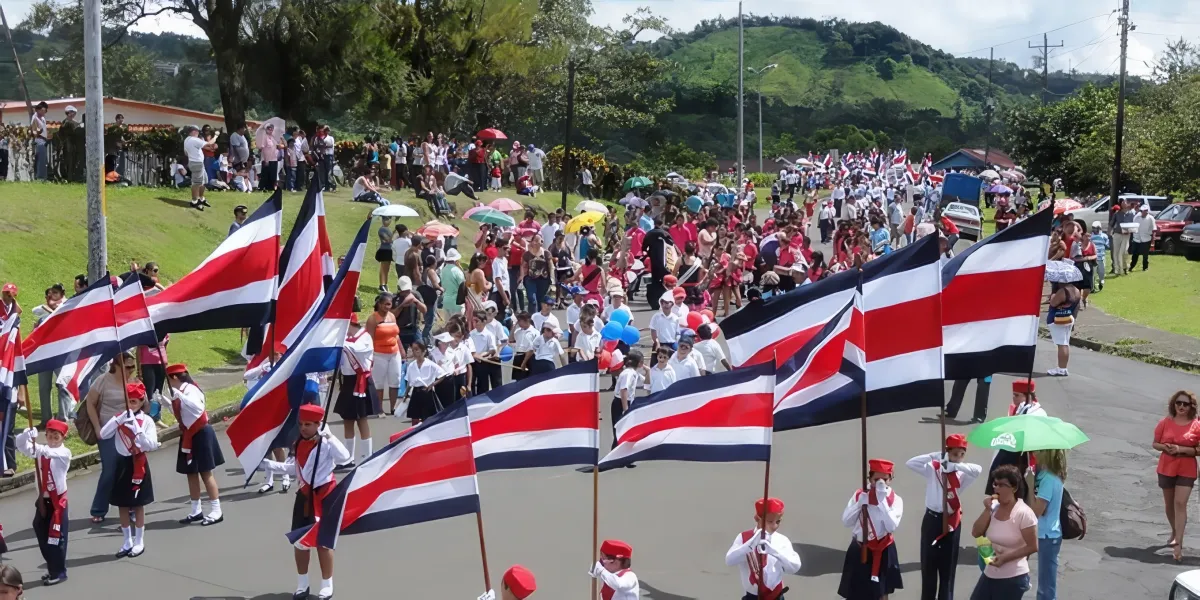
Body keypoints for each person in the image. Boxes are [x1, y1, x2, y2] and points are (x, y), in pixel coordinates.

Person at [262, 404, 349, 600]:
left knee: (323, 542)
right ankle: (302, 583)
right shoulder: (298, 443)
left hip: (325, 494)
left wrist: (329, 436)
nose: (303, 428)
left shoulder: (326, 444)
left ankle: (327, 584)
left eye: (308, 424)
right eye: (301, 424)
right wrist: (268, 465)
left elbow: (344, 458)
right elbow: (293, 469)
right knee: (300, 541)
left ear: (319, 424)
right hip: (304, 496)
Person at [906, 434, 983, 600]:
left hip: (951, 520)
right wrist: (936, 456)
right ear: (947, 452)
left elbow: (978, 470)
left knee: (947, 571)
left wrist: (955, 466)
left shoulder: (963, 473)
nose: (959, 458)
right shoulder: (933, 469)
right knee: (929, 567)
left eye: (962, 454)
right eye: (955, 454)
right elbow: (911, 463)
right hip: (932, 519)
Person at [99, 382, 161, 558]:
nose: (131, 405)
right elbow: (103, 434)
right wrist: (119, 420)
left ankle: (139, 540)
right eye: (128, 401)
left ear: (141, 402)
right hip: (122, 463)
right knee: (122, 504)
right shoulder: (119, 417)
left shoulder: (147, 421)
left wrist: (138, 431)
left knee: (138, 504)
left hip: (138, 463)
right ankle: (127, 540)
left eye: (135, 401)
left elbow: (150, 445)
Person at [165, 364, 224, 526]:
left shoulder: (191, 390)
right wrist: (166, 403)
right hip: (188, 434)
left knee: (205, 472)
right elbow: (182, 412)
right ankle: (196, 510)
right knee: (191, 472)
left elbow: (198, 408)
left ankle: (216, 510)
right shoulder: (180, 392)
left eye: (168, 380)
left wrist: (180, 397)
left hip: (201, 433)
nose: (168, 384)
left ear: (174, 378)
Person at [968, 465, 1039, 600]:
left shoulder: (1024, 513)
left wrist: (1005, 558)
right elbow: (976, 532)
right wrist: (987, 509)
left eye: (1002, 485)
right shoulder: (993, 508)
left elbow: (1033, 546)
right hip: (990, 573)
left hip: (1013, 577)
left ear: (1014, 488)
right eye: (995, 484)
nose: (996, 488)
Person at [15, 420, 72, 585]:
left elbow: (49, 453)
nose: (53, 439)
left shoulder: (64, 453)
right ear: (45, 435)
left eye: (57, 436)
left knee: (56, 538)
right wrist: (26, 435)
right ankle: (52, 567)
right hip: (42, 501)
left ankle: (59, 572)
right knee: (41, 531)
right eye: (49, 435)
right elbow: (21, 445)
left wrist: (38, 448)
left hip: (57, 502)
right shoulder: (41, 450)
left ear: (63, 437)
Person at [84, 352, 137, 523]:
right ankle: (99, 509)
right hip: (107, 431)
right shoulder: (103, 380)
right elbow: (90, 404)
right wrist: (98, 427)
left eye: (133, 367)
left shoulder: (135, 382)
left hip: (128, 432)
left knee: (129, 470)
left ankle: (130, 506)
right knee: (109, 470)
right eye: (128, 367)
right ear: (116, 366)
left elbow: (142, 404)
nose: (131, 370)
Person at [839, 458, 903, 600]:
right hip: (860, 547)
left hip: (883, 548)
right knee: (855, 593)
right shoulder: (859, 495)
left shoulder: (895, 500)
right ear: (870, 479)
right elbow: (846, 521)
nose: (880, 484)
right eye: (876, 480)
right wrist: (859, 505)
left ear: (890, 479)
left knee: (881, 593)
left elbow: (891, 526)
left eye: (884, 480)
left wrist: (882, 503)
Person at [1153, 390, 1200, 563]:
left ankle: (1178, 543)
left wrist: (1181, 450)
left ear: (1191, 406)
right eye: (1178, 403)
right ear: (1173, 404)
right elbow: (1155, 443)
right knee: (1169, 504)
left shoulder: (1196, 425)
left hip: (1187, 468)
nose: (1181, 406)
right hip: (1166, 467)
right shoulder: (1165, 422)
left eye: (1185, 404)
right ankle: (1174, 529)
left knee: (1180, 503)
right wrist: (1165, 447)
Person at [725, 497, 802, 599]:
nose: (774, 526)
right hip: (753, 597)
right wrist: (749, 545)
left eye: (778, 522)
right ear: (757, 519)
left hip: (776, 596)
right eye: (770, 521)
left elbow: (794, 567)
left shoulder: (782, 540)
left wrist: (774, 552)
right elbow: (729, 561)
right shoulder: (744, 538)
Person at [334, 314, 376, 469]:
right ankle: (347, 457)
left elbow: (356, 349)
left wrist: (340, 343)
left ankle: (367, 456)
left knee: (361, 419)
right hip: (348, 381)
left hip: (361, 381)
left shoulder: (364, 338)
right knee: (348, 419)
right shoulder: (346, 340)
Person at [1029, 449, 1066, 598]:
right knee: (1045, 582)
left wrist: (1029, 485)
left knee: (1046, 584)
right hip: (1047, 533)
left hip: (1048, 535)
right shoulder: (1045, 476)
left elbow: (1037, 511)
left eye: (1038, 451)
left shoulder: (1048, 480)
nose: (1034, 454)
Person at [366, 294, 404, 416]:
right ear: (380, 304)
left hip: (394, 352)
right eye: (385, 304)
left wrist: (402, 349)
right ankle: (379, 409)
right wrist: (370, 356)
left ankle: (393, 408)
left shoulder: (392, 316)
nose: (388, 307)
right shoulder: (373, 319)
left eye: (390, 304)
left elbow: (396, 334)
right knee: (379, 382)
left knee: (395, 380)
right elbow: (369, 338)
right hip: (379, 354)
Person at [402, 340, 446, 426]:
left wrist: (432, 384)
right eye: (413, 350)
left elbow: (442, 374)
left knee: (427, 417)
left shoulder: (430, 364)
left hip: (426, 392)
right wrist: (406, 394)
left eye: (417, 349)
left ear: (424, 351)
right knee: (415, 417)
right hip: (416, 392)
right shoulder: (412, 365)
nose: (415, 352)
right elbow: (409, 382)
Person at [1045, 282, 1079, 377]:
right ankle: (1063, 368)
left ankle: (1061, 369)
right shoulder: (1076, 290)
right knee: (1065, 343)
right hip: (1069, 318)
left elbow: (1053, 302)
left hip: (1058, 320)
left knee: (1062, 344)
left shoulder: (1063, 291)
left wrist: (1052, 296)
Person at [184, 126, 216, 210]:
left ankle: (201, 198)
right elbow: (209, 143)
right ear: (193, 131)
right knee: (197, 183)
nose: (198, 133)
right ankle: (195, 201)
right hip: (196, 163)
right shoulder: (194, 139)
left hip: (197, 162)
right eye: (197, 131)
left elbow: (186, 152)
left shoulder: (187, 140)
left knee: (204, 181)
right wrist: (216, 135)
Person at [1129, 204, 1156, 272]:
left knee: (1145, 255)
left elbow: (1154, 229)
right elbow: (1133, 226)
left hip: (1146, 238)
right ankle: (1131, 267)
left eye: (1145, 211)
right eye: (1142, 211)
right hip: (1136, 238)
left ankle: (1145, 267)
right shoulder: (1136, 217)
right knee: (1135, 254)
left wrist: (1153, 240)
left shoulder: (1150, 218)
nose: (1143, 212)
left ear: (1147, 211)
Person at [377, 217, 395, 292]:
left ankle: (385, 284)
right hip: (384, 249)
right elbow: (388, 240)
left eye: (389, 220)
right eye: (386, 220)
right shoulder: (382, 229)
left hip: (389, 249)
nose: (387, 221)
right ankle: (382, 284)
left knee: (387, 269)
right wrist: (394, 232)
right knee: (383, 268)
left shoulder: (388, 229)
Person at [31, 101, 49, 180]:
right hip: (39, 140)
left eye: (45, 111)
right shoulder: (35, 119)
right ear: (37, 110)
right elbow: (34, 132)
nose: (44, 112)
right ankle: (40, 177)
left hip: (44, 140)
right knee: (40, 159)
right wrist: (39, 131)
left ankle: (42, 176)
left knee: (43, 159)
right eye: (42, 110)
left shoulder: (43, 119)